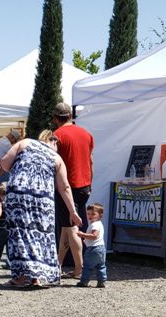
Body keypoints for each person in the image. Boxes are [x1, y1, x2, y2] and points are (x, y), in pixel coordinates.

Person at [0, 130, 82, 288]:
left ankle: (22, 277)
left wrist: (19, 171)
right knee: (41, 235)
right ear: (54, 142)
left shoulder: (25, 143)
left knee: (20, 234)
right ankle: (37, 276)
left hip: (19, 193)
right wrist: (73, 211)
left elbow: (4, 163)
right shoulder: (56, 158)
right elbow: (64, 187)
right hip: (42, 200)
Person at [53, 102, 93, 279]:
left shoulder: (57, 135)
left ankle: (79, 269)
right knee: (65, 228)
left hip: (67, 187)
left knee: (71, 229)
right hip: (84, 185)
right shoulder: (86, 134)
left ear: (56, 118)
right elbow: (91, 161)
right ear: (71, 116)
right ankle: (57, 266)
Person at [76, 203, 107, 288]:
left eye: (93, 214)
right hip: (101, 248)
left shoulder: (95, 225)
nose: (90, 216)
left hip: (93, 249)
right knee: (101, 266)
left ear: (100, 216)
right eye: (88, 213)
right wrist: (86, 240)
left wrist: (82, 235)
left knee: (87, 267)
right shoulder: (99, 224)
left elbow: (94, 236)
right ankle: (102, 281)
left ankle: (84, 281)